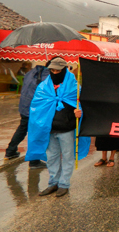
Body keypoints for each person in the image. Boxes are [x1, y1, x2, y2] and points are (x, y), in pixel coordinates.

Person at [26, 57, 89, 197]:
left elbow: (81, 105)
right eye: (52, 70)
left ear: (64, 70)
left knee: (67, 156)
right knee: (52, 157)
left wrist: (79, 112)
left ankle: (64, 184)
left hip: (67, 128)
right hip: (49, 129)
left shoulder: (74, 87)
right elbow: (37, 107)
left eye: (58, 70)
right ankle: (53, 183)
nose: (55, 72)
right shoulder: (43, 87)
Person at [5, 63, 50, 169]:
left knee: (22, 128)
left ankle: (10, 151)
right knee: (36, 134)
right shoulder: (46, 76)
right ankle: (34, 161)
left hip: (25, 106)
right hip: (35, 109)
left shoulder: (32, 72)